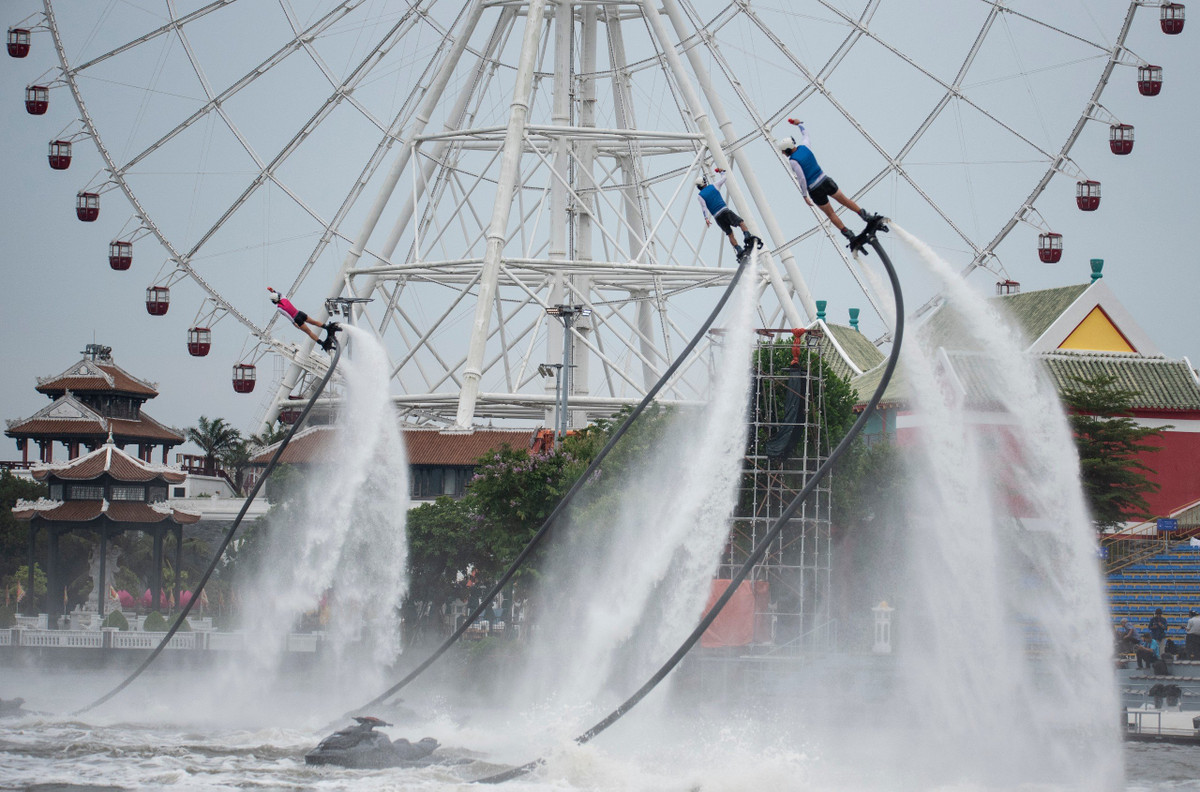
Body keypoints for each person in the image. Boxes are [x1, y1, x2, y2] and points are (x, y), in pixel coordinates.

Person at [776, 119, 875, 244]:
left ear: (788, 150)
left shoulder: (793, 161)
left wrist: (804, 195)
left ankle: (849, 234)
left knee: (831, 214)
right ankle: (866, 216)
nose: (783, 153)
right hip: (825, 180)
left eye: (784, 151)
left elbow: (801, 178)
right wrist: (799, 124)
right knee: (845, 200)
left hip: (815, 190)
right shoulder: (806, 147)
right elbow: (806, 134)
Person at [696, 167, 760, 257]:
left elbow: (704, 208)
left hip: (717, 217)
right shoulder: (713, 186)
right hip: (724, 211)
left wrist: (706, 218)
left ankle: (738, 249)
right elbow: (724, 179)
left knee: (729, 234)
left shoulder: (700, 196)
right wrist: (722, 172)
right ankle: (747, 236)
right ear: (704, 182)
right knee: (741, 222)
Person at [268, 287, 336, 351]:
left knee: (309, 332)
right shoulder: (283, 298)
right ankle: (327, 327)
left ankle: (322, 343)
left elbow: (288, 316)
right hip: (300, 313)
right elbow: (279, 294)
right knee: (314, 322)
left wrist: (294, 323)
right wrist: (273, 291)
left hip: (296, 319)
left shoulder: (279, 308)